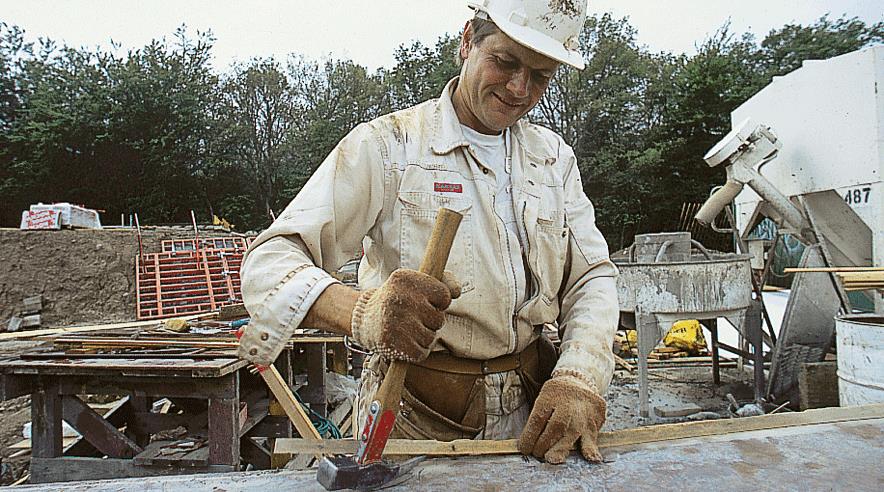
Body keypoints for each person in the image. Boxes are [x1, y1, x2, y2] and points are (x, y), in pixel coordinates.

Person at [238, 0, 619, 464]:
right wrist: (364, 312)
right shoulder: (388, 146)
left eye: (540, 76)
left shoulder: (552, 160)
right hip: (412, 417)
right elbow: (268, 263)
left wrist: (579, 376)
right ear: (467, 41)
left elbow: (591, 277)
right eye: (505, 62)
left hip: (532, 417)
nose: (520, 88)